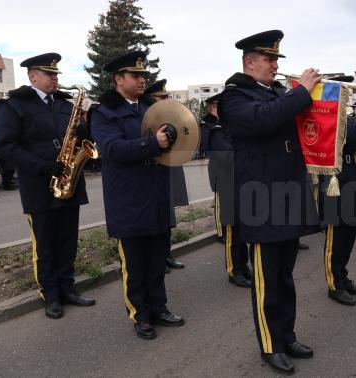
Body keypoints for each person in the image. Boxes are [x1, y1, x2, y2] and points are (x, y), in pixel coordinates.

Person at [218, 30, 320, 374]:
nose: (275, 66)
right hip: (261, 197)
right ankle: (269, 344)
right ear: (250, 62)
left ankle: (287, 334)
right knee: (266, 278)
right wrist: (302, 92)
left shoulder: (278, 92)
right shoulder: (234, 97)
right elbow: (264, 120)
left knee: (286, 276)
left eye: (276, 60)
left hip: (289, 191)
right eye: (269, 59)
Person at [0, 53, 95, 319]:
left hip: (68, 182)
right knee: (46, 243)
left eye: (56, 74)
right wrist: (43, 165)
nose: (55, 79)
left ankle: (67, 288)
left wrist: (84, 132)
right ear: (32, 76)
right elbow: (4, 146)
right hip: (39, 185)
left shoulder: (63, 104)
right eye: (49, 74)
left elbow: (72, 136)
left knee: (67, 240)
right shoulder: (14, 105)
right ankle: (50, 295)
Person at [91, 51, 184, 340]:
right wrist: (152, 143)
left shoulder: (151, 107)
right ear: (118, 79)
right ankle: (140, 314)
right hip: (128, 197)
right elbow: (113, 149)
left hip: (156, 193)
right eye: (136, 75)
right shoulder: (103, 111)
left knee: (157, 259)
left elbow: (173, 137)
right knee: (134, 263)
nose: (142, 80)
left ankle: (159, 307)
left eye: (144, 75)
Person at [318, 76, 356, 305]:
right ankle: (334, 284)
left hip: (352, 179)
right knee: (336, 239)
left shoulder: (342, 114)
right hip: (336, 184)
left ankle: (343, 277)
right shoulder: (326, 115)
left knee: (349, 235)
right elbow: (350, 135)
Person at [201, 92, 252, 287]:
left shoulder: (234, 128)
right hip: (228, 184)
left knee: (242, 229)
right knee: (232, 231)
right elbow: (227, 157)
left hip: (242, 183)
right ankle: (234, 270)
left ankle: (244, 265)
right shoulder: (216, 130)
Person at [143, 79, 187, 273]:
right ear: (152, 99)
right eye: (161, 97)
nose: (165, 100)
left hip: (169, 165)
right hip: (152, 170)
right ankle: (157, 258)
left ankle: (166, 254)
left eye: (166, 96)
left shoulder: (168, 117)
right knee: (154, 216)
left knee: (168, 214)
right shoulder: (147, 118)